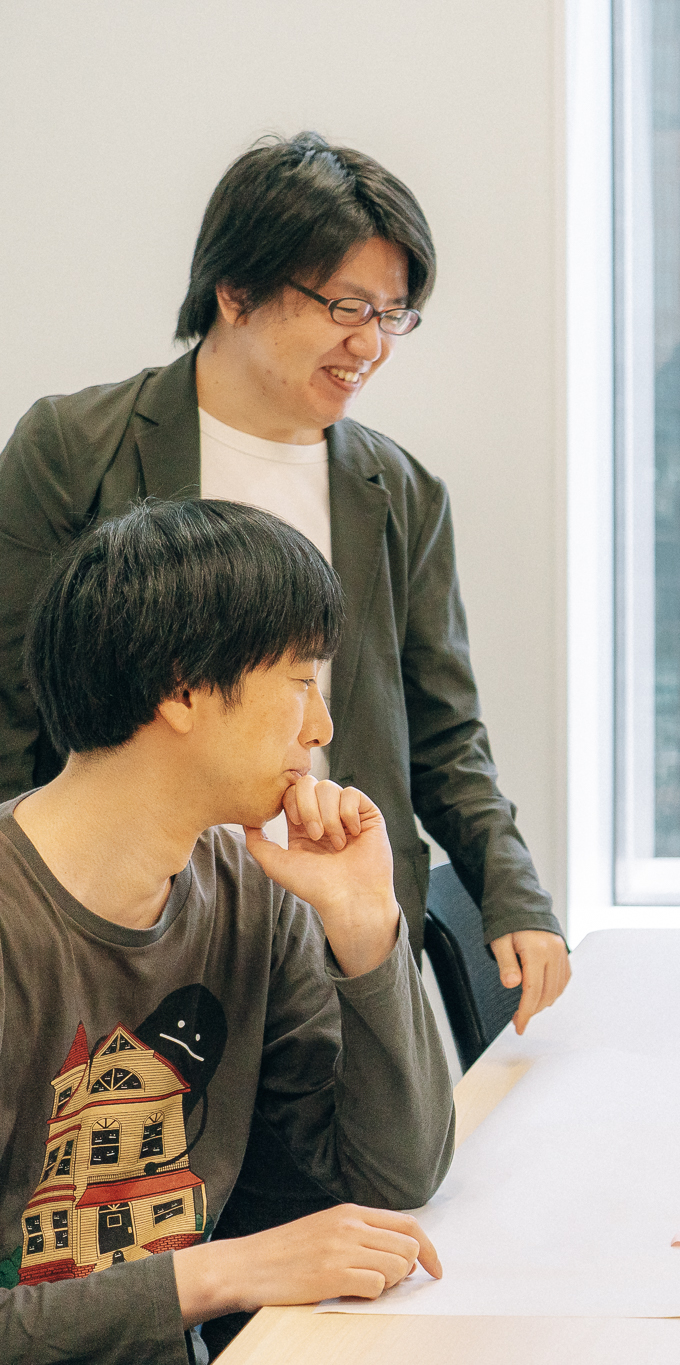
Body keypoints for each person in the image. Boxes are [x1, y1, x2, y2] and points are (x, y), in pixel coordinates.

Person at [0, 131, 568, 1025]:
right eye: (346, 305)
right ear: (236, 291)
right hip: (127, 933)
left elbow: (445, 730)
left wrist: (515, 894)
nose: (370, 343)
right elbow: (9, 705)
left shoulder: (400, 490)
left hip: (331, 923)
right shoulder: (74, 449)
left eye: (392, 314)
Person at [0, 500, 454, 1363]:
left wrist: (365, 925)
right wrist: (218, 1273)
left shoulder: (248, 890)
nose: (321, 727)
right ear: (182, 689)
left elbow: (397, 1175)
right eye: (300, 681)